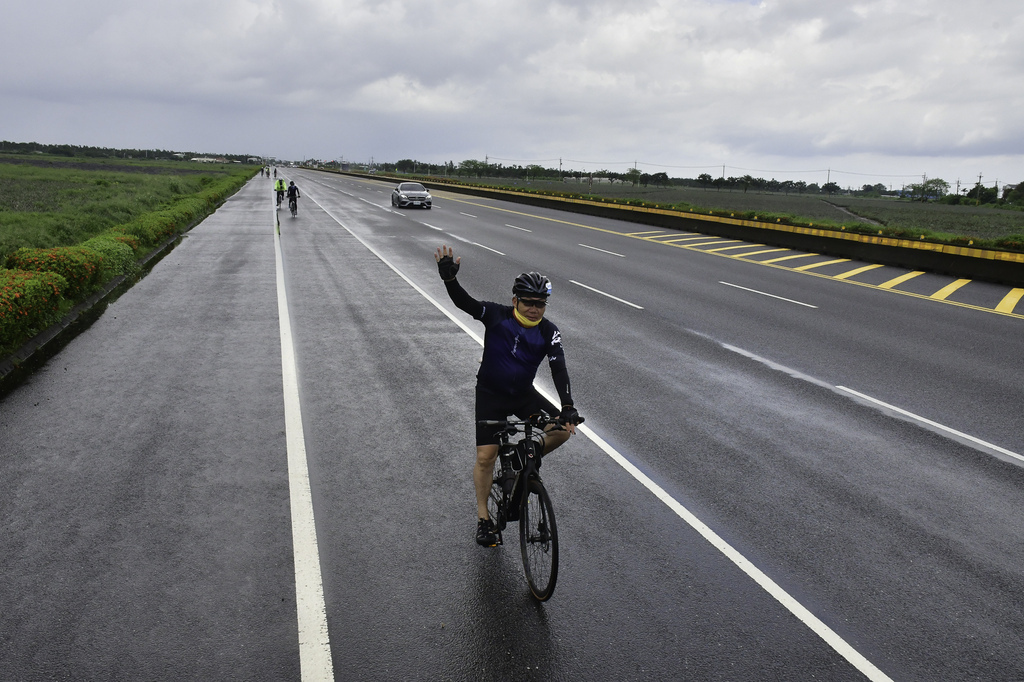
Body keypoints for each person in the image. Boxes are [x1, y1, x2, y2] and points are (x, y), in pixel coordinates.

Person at [434, 245, 581, 546]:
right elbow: (466, 304)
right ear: (515, 300)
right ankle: (483, 519)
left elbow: (559, 367)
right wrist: (450, 281)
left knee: (563, 430)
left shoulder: (549, 332)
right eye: (528, 302)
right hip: (490, 394)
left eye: (540, 304)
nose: (534, 309)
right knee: (486, 457)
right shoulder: (497, 316)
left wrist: (567, 406)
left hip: (522, 395)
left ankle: (523, 454)